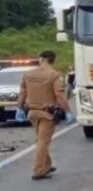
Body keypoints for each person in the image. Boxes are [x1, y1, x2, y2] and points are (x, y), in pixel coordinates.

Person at [17, 51, 70, 180]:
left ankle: (47, 165)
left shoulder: (28, 74)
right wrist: (67, 110)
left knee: (41, 139)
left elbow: (22, 93)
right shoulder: (53, 75)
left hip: (32, 113)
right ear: (53, 60)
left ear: (41, 59)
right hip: (47, 113)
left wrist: (19, 108)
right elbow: (59, 95)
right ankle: (39, 170)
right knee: (43, 142)